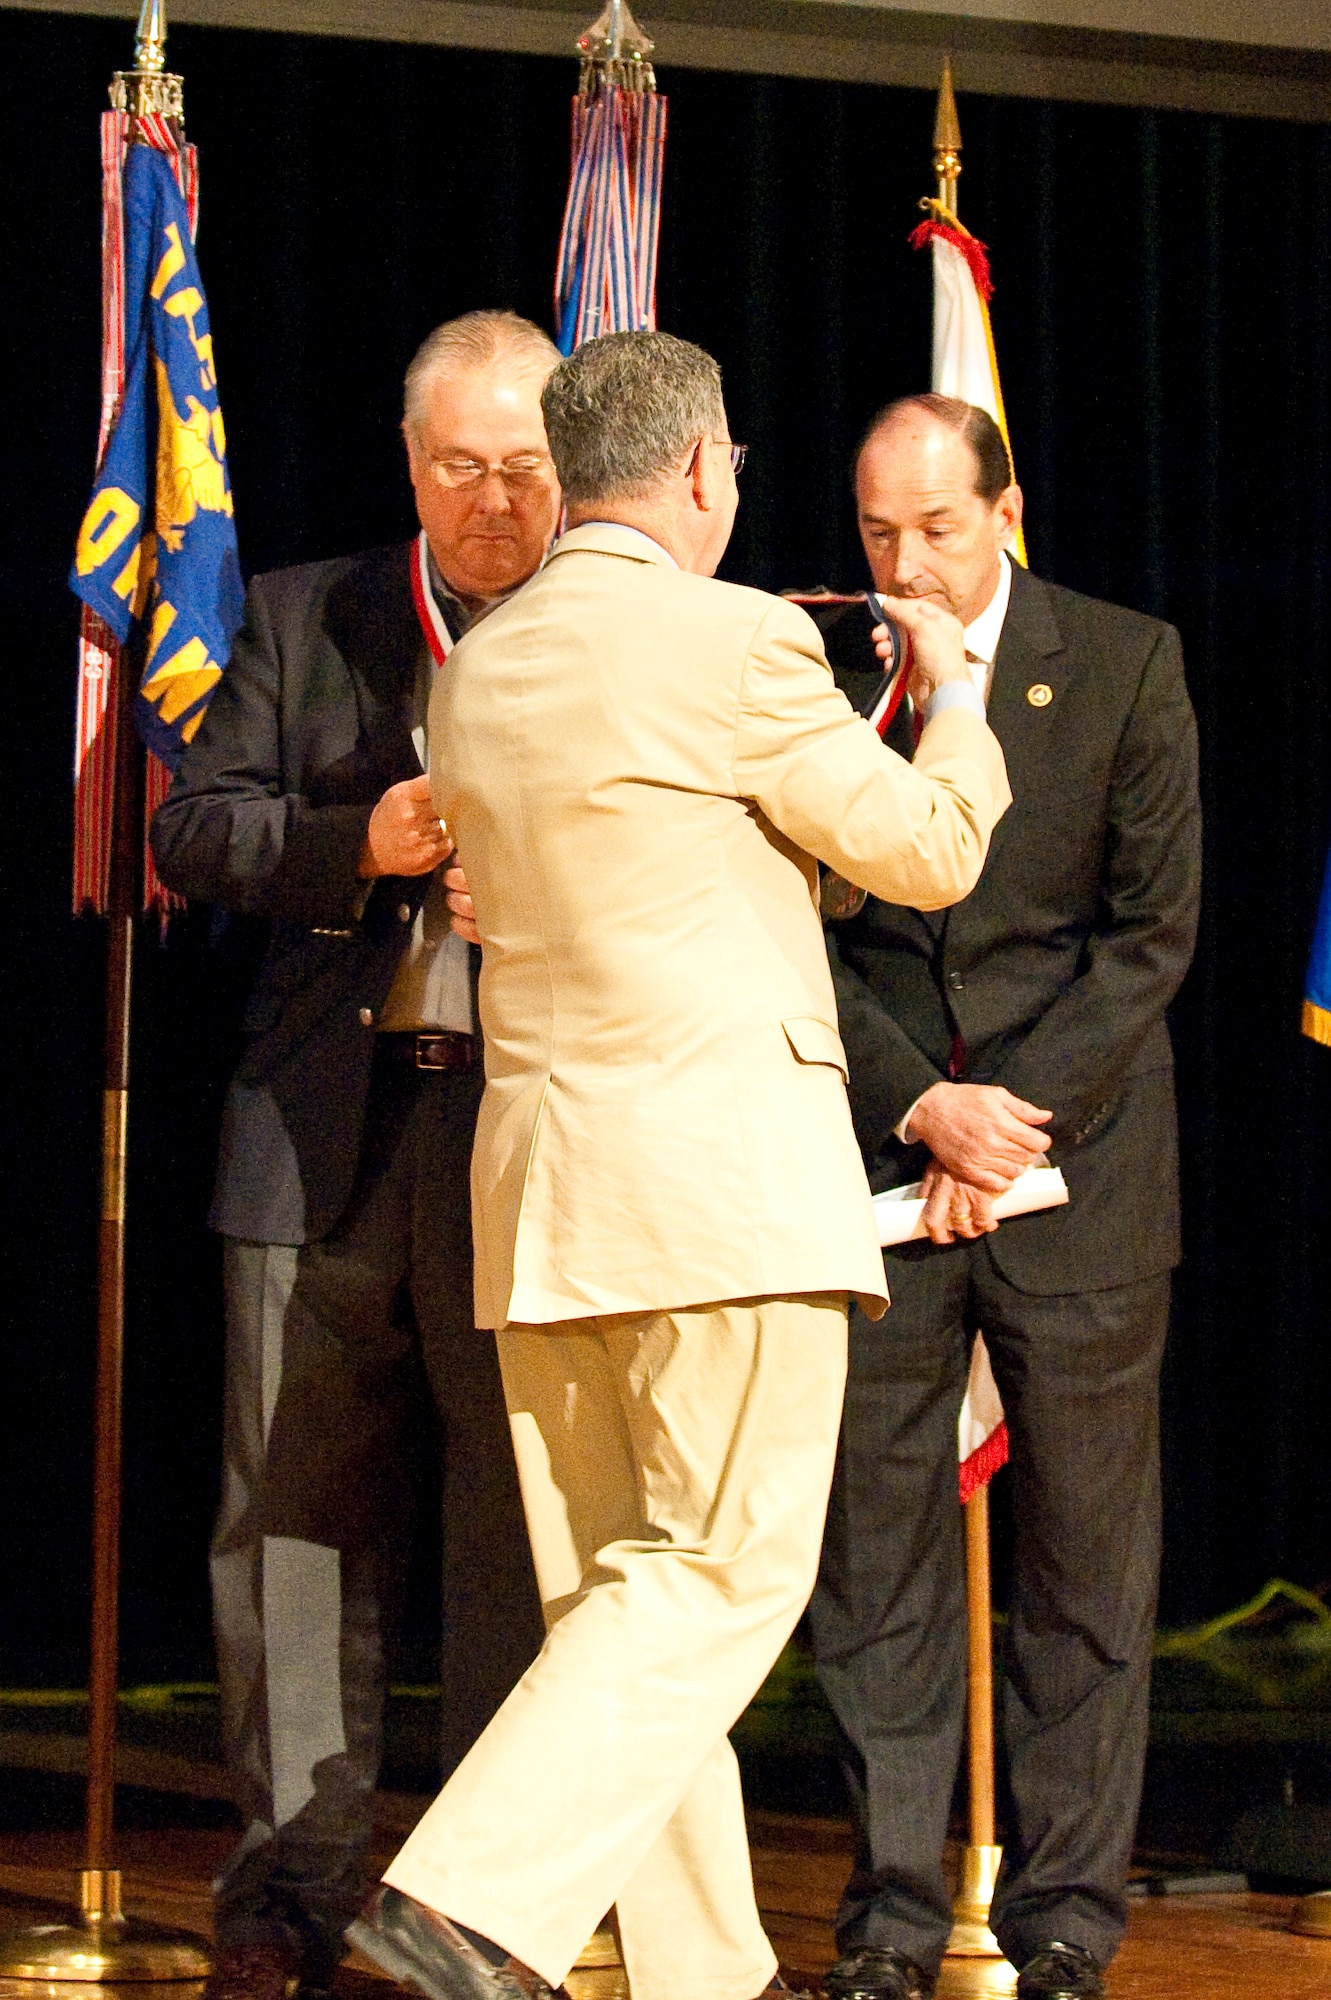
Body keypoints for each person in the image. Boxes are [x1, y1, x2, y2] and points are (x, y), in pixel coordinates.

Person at [344, 330, 1011, 2000]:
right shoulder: (736, 642)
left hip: (549, 1202)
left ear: (574, 474)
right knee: (714, 1584)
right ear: (705, 468)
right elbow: (926, 853)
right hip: (717, 1200)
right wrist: (962, 699)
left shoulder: (478, 664)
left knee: (623, 1626)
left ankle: (709, 1973)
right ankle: (464, 1900)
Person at [151, 310, 560, 2000]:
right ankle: (295, 1872)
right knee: (294, 1512)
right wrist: (356, 841)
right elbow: (190, 826)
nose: (493, 501)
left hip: (522, 1137)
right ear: (413, 468)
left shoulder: (614, 640)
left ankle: (475, 1882)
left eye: (528, 466)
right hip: (322, 1128)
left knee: (507, 1519)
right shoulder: (306, 611)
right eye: (462, 466)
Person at [805, 394, 1202, 2000]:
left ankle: (1062, 1926)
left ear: (1006, 510)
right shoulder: (816, 680)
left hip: (1081, 1178)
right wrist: (924, 1106)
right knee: (876, 1568)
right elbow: (797, 930)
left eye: (938, 529)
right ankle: (895, 1922)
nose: (907, 563)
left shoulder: (1124, 660)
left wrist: (1008, 1129)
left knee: (1083, 1577)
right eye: (880, 533)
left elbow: (1150, 935)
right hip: (884, 1165)